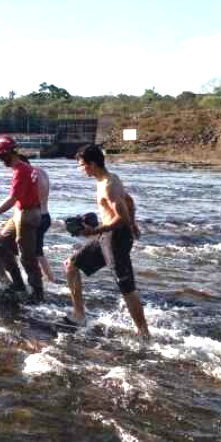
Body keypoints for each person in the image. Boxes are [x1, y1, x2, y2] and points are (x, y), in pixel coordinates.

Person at [63, 144, 149, 340]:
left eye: (82, 165)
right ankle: (79, 315)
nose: (81, 169)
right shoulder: (107, 180)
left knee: (126, 286)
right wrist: (133, 224)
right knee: (71, 265)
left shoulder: (109, 185)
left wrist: (95, 230)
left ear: (92, 164)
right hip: (109, 236)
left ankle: (143, 332)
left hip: (116, 238)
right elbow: (130, 201)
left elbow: (121, 219)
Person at [0, 136, 45, 302]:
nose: (0, 161)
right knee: (0, 245)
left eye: (1, 157)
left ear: (8, 154)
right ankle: (19, 284)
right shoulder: (24, 167)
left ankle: (38, 293)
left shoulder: (21, 171)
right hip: (22, 212)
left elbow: (12, 199)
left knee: (27, 257)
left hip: (27, 215)